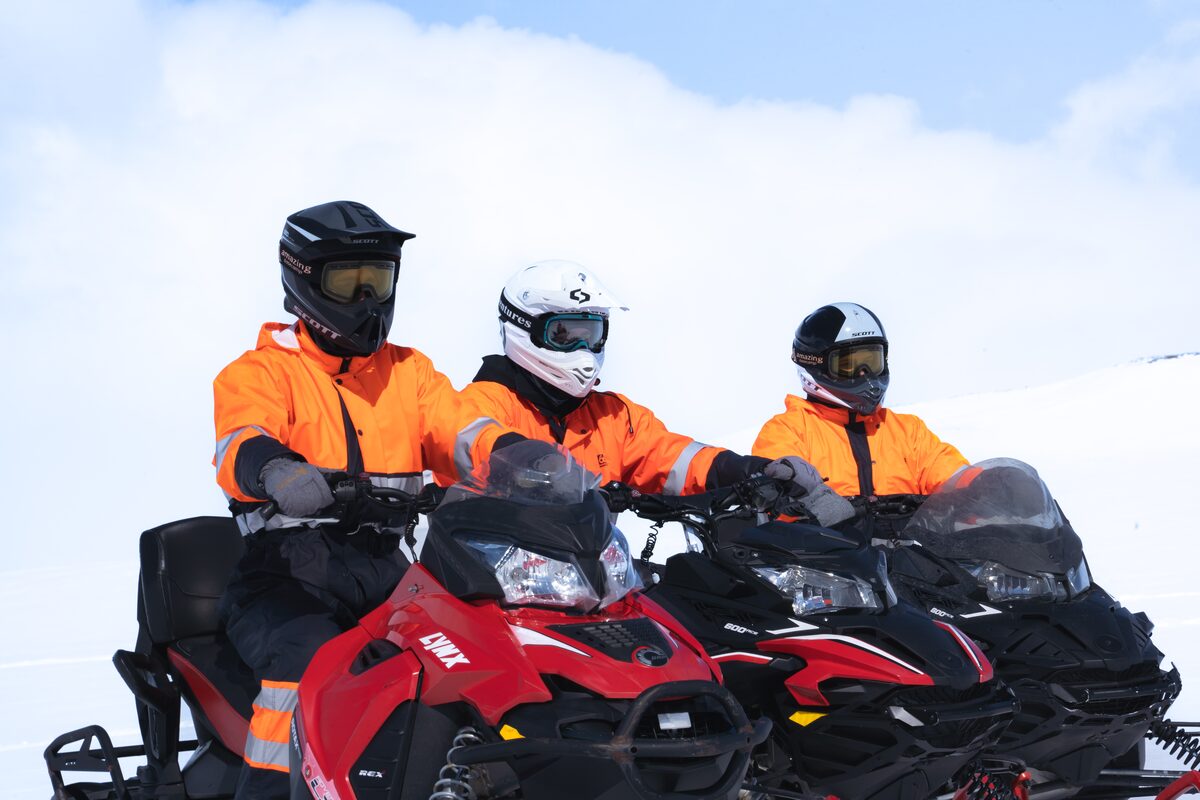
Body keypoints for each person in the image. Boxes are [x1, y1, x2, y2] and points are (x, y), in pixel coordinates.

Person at [212, 201, 518, 798]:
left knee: (477, 649)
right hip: (286, 574)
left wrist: (517, 458)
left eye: (377, 281)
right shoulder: (262, 372)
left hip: (389, 570)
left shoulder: (409, 372)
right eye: (348, 282)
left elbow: (460, 429)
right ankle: (274, 790)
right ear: (303, 279)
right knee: (306, 665)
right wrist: (274, 469)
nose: (367, 301)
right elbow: (238, 439)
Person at [451, 260, 853, 524]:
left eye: (591, 334)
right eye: (565, 334)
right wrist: (541, 468)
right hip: (493, 572)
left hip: (585, 572)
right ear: (524, 330)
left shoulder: (613, 416)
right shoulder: (480, 403)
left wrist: (749, 470)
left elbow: (673, 458)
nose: (583, 351)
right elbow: (479, 442)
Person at [753, 302, 967, 497]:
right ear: (816, 365)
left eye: (872, 362)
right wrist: (814, 503)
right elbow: (778, 493)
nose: (865, 374)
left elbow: (948, 474)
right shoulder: (787, 431)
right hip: (826, 539)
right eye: (849, 364)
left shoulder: (908, 431)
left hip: (910, 539)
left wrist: (982, 483)